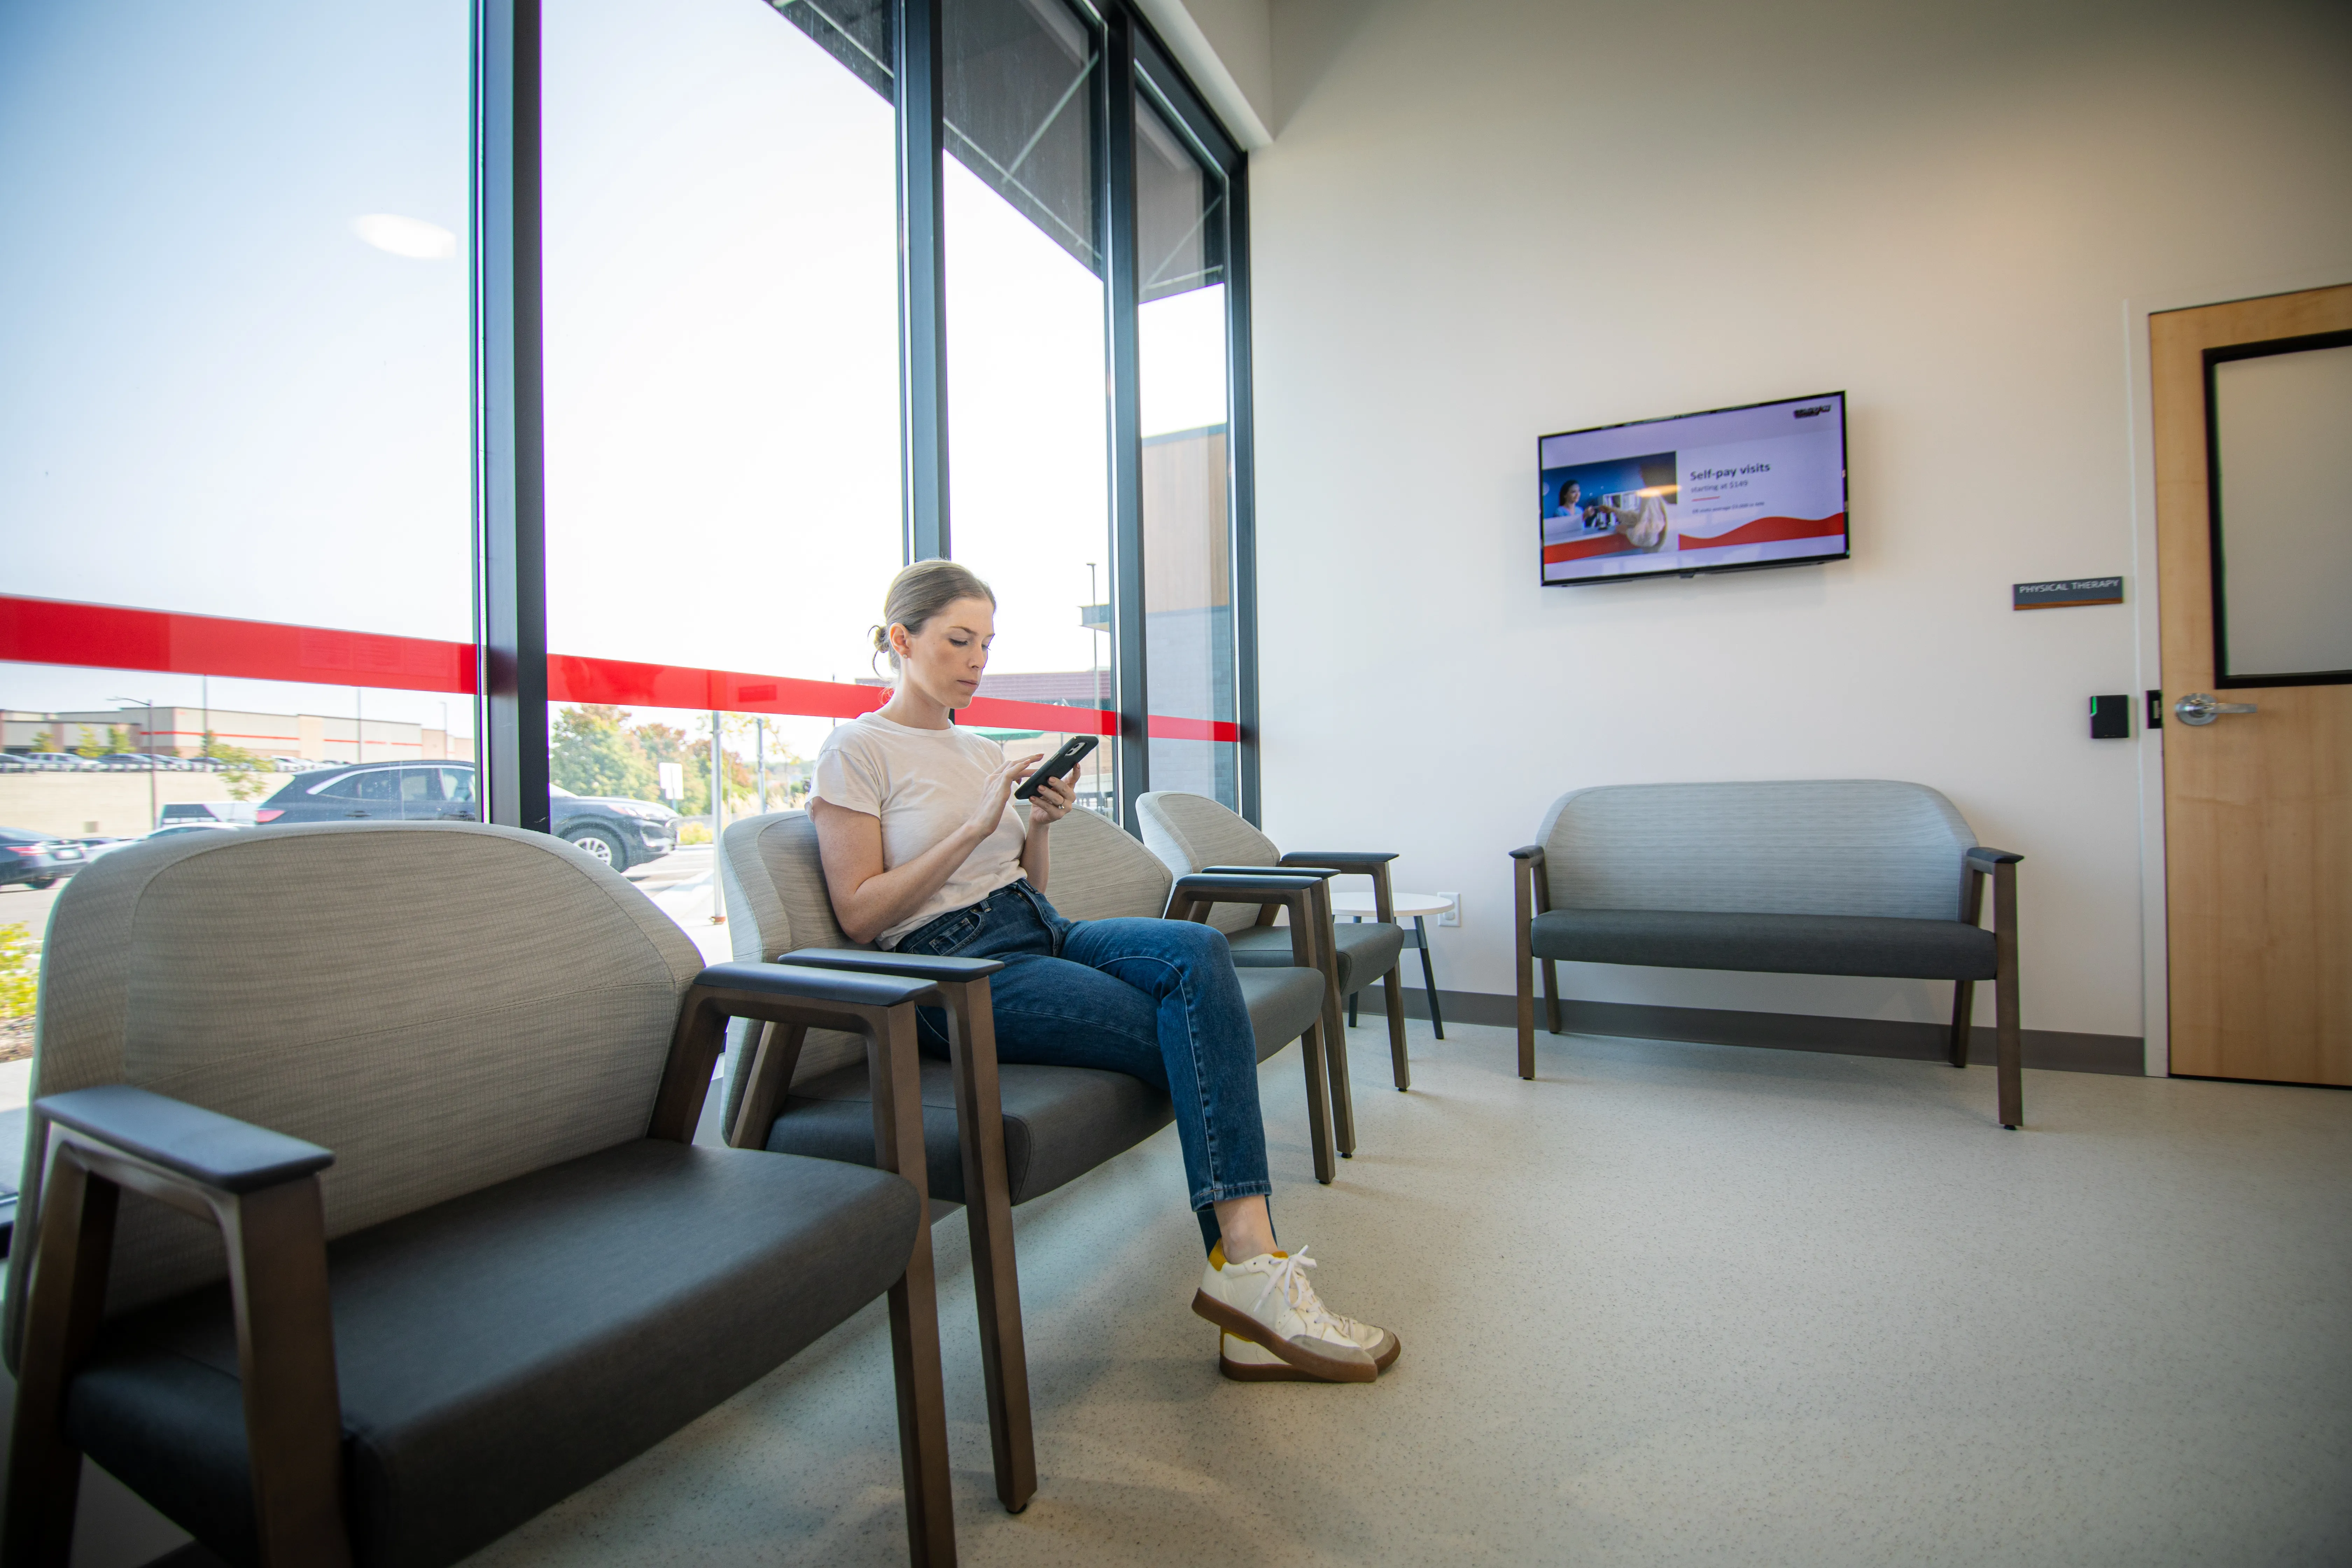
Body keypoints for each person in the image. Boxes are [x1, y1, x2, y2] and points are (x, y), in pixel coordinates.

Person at [808, 560, 1398, 1385]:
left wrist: (1038, 824)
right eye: (958, 639)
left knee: (1200, 954)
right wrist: (977, 821)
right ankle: (1251, 1272)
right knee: (1196, 1033)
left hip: (1038, 924)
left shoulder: (976, 746)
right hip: (951, 968)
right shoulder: (856, 749)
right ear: (902, 640)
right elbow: (862, 913)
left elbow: (1028, 882)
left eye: (986, 642)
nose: (977, 659)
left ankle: (1247, 1280)